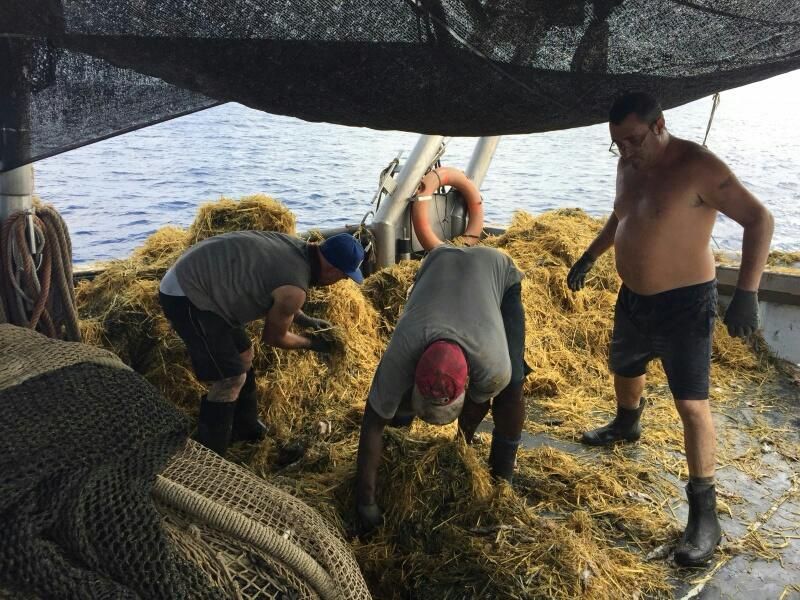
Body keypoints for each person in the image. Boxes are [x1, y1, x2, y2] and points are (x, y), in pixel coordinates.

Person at [567, 91, 774, 566]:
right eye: (617, 143)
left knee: (690, 404)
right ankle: (627, 423)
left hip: (685, 304)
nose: (626, 152)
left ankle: (705, 516)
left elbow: (760, 219)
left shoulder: (698, 166)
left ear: (659, 126)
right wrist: (590, 255)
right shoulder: (629, 164)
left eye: (633, 140)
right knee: (624, 365)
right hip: (634, 298)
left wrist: (747, 292)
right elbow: (621, 215)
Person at [355, 245, 530, 533]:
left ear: (468, 380)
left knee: (511, 390)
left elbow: (479, 401)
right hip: (438, 262)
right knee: (389, 403)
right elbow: (372, 423)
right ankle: (398, 442)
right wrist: (366, 502)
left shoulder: (493, 366)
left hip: (496, 268)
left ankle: (503, 478)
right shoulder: (401, 353)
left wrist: (461, 447)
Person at [159, 231, 365, 457]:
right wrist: (312, 343)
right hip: (186, 295)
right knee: (231, 378)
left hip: (202, 279)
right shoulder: (295, 288)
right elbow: (275, 337)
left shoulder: (298, 249)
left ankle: (245, 427)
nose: (341, 281)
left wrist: (306, 320)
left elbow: (280, 288)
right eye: (344, 276)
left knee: (244, 355)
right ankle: (209, 453)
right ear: (332, 270)